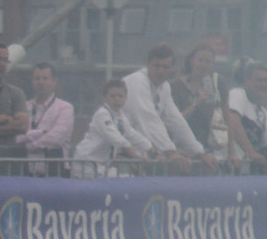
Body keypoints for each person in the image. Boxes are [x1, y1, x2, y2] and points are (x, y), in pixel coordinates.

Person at [123, 44, 218, 174]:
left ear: (172, 69)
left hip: (140, 154)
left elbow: (176, 121)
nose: (160, 71)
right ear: (147, 64)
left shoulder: (165, 87)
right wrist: (171, 152)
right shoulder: (137, 82)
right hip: (118, 155)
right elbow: (148, 120)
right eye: (156, 66)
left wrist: (199, 152)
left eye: (165, 67)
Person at [73, 78, 150, 177]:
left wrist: (151, 149)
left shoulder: (120, 116)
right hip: (87, 165)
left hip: (102, 166)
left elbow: (132, 135)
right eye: (112, 96)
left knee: (128, 178)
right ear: (104, 98)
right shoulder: (102, 114)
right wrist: (136, 156)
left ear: (125, 98)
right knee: (122, 180)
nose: (116, 99)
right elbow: (116, 138)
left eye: (120, 96)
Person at [16, 63, 74, 172]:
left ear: (54, 81)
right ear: (32, 82)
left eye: (45, 78)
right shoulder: (24, 107)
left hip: (54, 171)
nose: (41, 82)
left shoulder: (65, 108)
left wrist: (29, 145)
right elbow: (16, 136)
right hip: (27, 170)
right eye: (37, 78)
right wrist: (40, 133)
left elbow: (56, 138)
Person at [227, 63, 267, 174]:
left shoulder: (263, 113)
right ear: (246, 81)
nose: (263, 84)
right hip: (226, 166)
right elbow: (233, 123)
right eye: (259, 80)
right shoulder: (237, 95)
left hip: (245, 171)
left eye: (266, 81)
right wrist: (251, 152)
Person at [170, 44, 224, 153]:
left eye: (208, 61)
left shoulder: (217, 83)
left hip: (210, 146)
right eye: (200, 60)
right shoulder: (176, 85)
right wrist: (196, 104)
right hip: (182, 147)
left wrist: (231, 152)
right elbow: (175, 120)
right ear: (191, 60)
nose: (203, 64)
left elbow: (227, 116)